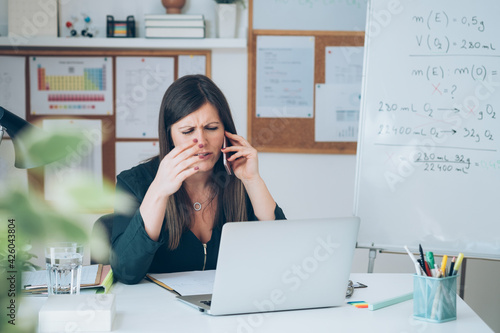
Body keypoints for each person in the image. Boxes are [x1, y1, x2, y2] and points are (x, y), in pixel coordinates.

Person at [110, 75, 286, 284]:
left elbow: (281, 254)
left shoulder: (237, 180)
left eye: (211, 128)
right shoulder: (134, 183)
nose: (201, 141)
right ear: (170, 135)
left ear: (225, 132)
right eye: (187, 131)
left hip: (226, 308)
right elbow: (126, 271)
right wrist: (159, 190)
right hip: (159, 312)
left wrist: (253, 180)